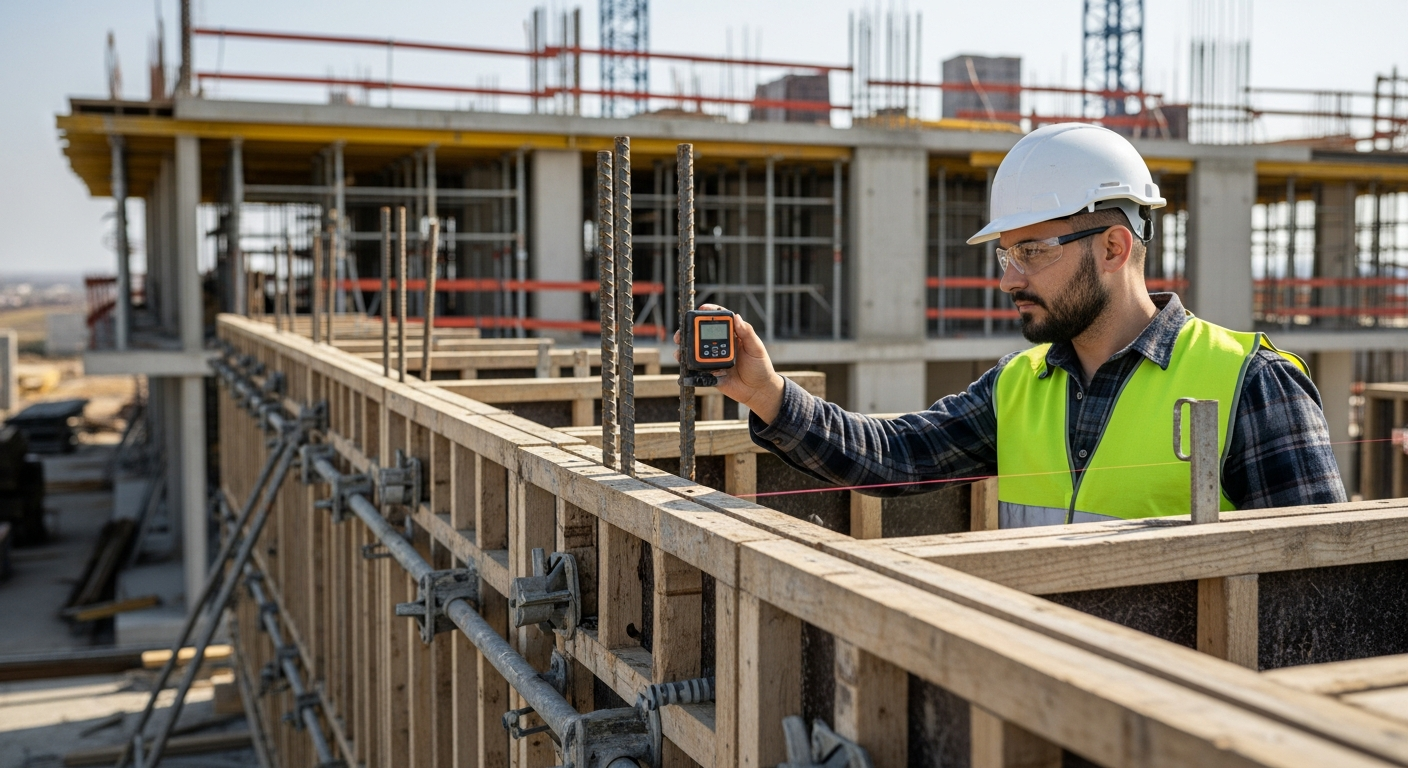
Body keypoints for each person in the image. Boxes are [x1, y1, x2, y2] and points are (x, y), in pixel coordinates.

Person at [683, 122, 1345, 528]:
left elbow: (1327, 600)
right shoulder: (1017, 386)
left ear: (1113, 249)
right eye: (1007, 254)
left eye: (1032, 251)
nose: (1008, 278)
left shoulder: (1251, 385)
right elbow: (895, 457)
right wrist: (766, 394)